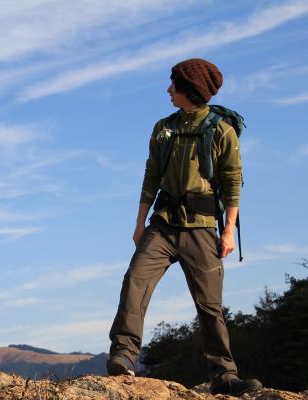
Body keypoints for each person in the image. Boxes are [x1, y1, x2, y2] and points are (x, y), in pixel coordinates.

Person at [106, 58, 262, 396]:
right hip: (162, 225)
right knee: (135, 281)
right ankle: (123, 355)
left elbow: (233, 182)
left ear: (188, 89)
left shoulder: (222, 130)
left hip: (202, 228)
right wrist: (139, 222)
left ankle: (224, 376)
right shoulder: (163, 128)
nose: (168, 90)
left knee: (210, 306)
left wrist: (228, 230)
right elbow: (151, 175)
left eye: (173, 85)